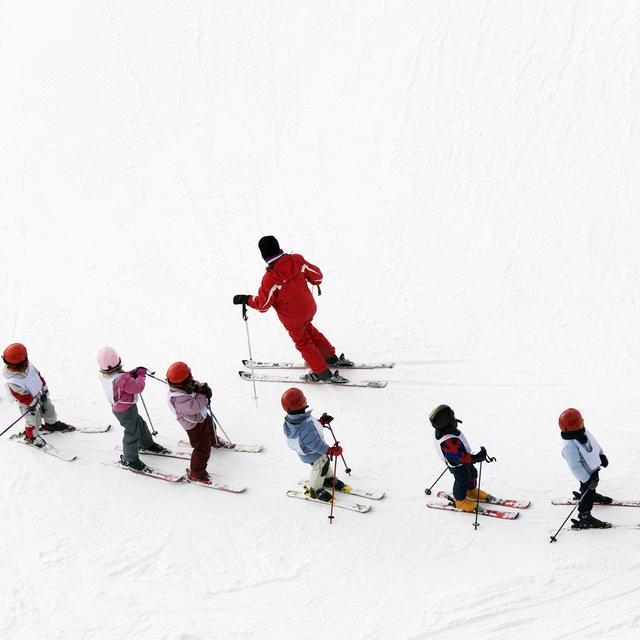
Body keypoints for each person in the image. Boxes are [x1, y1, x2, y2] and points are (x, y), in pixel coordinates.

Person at [233, 235, 352, 382]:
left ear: (264, 256)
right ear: (278, 247)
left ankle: (321, 372)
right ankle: (330, 357)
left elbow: (263, 306)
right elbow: (317, 277)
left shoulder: (270, 279)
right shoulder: (297, 260)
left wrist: (246, 299)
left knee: (303, 341)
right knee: (309, 329)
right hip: (309, 308)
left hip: (293, 319)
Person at [96, 346, 168, 471]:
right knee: (132, 432)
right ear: (118, 361)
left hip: (122, 408)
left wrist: (131, 373)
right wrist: (140, 376)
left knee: (140, 424)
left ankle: (146, 444)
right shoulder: (122, 379)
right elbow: (137, 387)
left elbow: (122, 378)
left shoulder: (107, 376)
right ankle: (130, 459)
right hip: (125, 410)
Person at [165, 361, 226, 483]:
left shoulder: (185, 384)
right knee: (202, 448)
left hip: (201, 417)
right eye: (189, 376)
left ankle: (213, 440)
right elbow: (195, 407)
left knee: (210, 426)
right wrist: (203, 395)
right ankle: (196, 473)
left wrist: (202, 387)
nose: (192, 378)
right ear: (183, 382)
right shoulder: (178, 399)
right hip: (193, 426)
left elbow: (194, 385)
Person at [281, 387, 345, 501]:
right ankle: (315, 489)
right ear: (300, 405)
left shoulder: (295, 419)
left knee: (324, 464)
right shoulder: (305, 427)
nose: (306, 399)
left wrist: (320, 422)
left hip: (308, 451)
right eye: (303, 399)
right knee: (320, 467)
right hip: (313, 453)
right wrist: (330, 451)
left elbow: (309, 426)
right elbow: (314, 444)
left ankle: (327, 479)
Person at [2, 342, 70, 445]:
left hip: (39, 395)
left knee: (49, 410)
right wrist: (33, 402)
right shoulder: (12, 380)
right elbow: (21, 395)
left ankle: (51, 425)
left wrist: (44, 387)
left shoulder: (28, 366)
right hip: (28, 404)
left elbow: (37, 376)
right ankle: (31, 437)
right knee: (34, 420)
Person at [429, 404, 491, 512]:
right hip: (457, 464)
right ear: (446, 423)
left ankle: (470, 490)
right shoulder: (448, 441)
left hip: (462, 460)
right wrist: (477, 457)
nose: (455, 419)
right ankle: (460, 500)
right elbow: (461, 458)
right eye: (452, 418)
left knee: (472, 473)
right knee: (462, 480)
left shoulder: (447, 430)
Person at [558, 408, 612, 529]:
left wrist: (601, 455)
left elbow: (594, 443)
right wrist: (586, 480)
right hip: (586, 474)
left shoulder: (582, 432)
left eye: (582, 421)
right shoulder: (569, 446)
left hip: (593, 468)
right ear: (573, 427)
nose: (583, 424)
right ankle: (585, 516)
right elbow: (575, 466)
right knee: (588, 489)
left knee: (593, 484)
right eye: (580, 423)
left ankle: (590, 493)